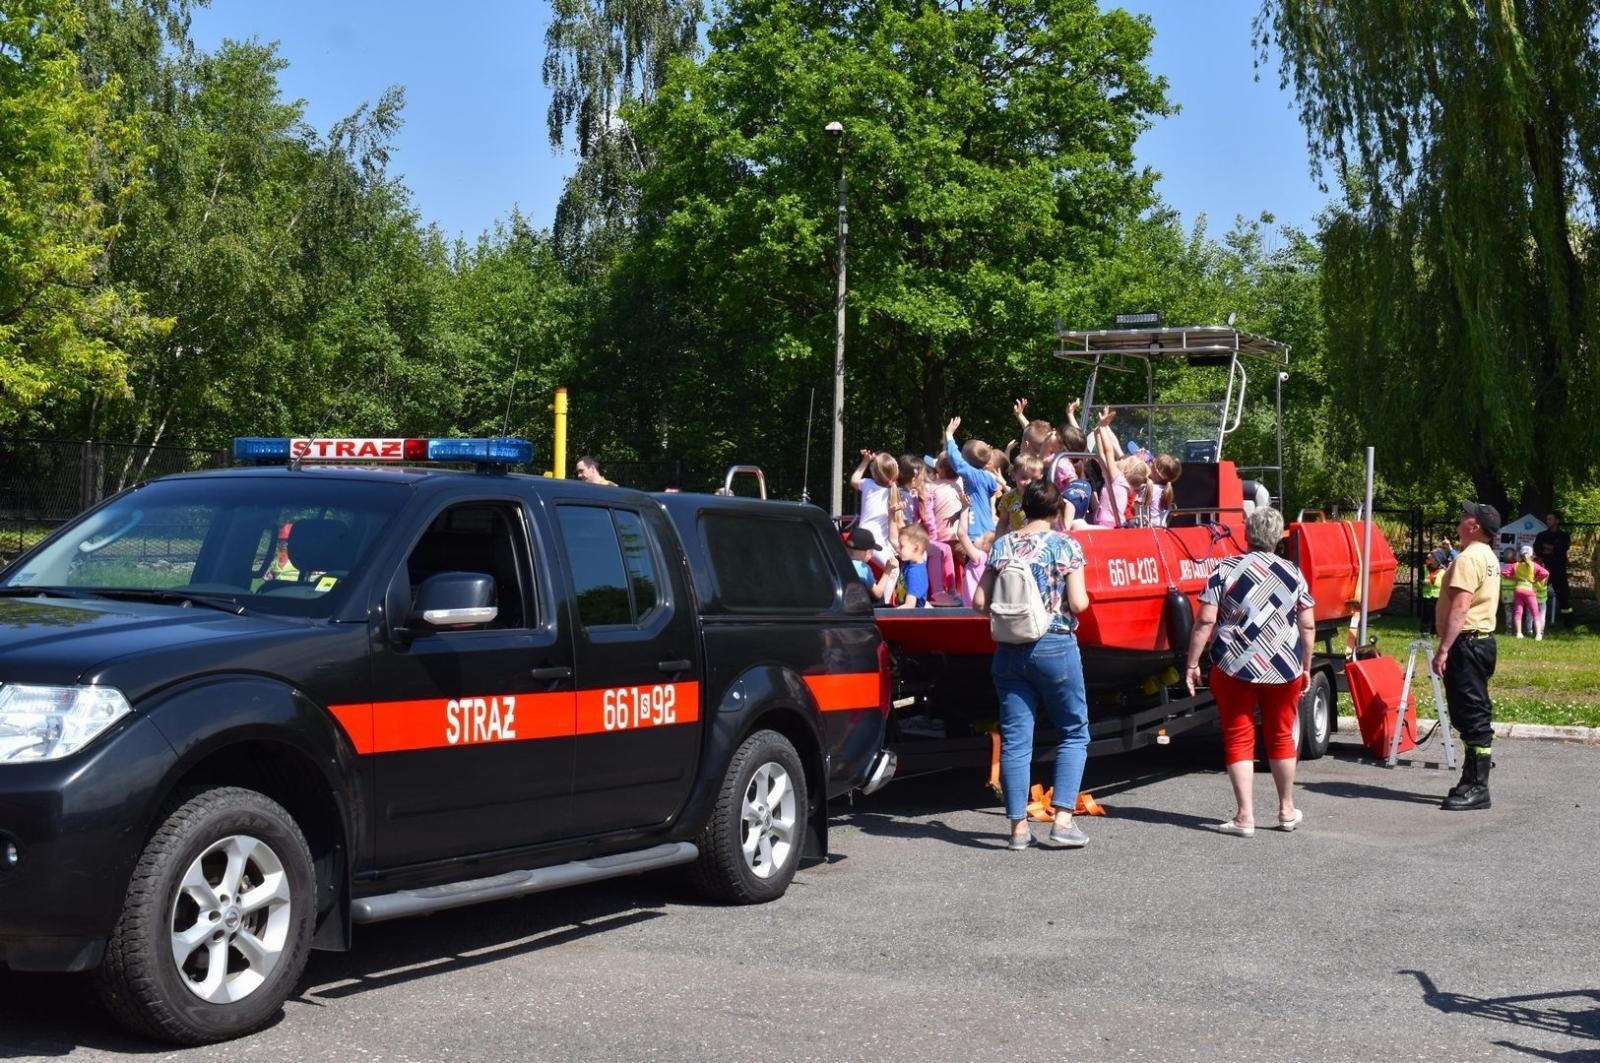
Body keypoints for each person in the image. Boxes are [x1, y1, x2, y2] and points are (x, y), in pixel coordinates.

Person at [972, 478, 1091, 851]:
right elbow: (1080, 602)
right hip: (1054, 645)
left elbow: (979, 602)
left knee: (1016, 740)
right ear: (1057, 511)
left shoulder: (1003, 545)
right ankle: (1063, 822)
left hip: (1009, 650)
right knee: (1073, 731)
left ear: (1024, 507)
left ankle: (1018, 830)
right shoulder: (1066, 545)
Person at [1184, 506, 1316, 837]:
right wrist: (1305, 665)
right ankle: (1287, 810)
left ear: (1247, 534)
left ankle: (1245, 817)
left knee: (1238, 734)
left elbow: (1205, 620)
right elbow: (1308, 624)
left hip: (1234, 663)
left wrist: (1191, 663)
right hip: (1283, 664)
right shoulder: (1293, 573)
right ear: (1278, 537)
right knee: (1281, 734)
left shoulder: (1225, 569)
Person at [1432, 500, 1503, 811]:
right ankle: (1470, 777)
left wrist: (1444, 649)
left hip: (1467, 644)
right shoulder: (1487, 556)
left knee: (1472, 717)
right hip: (1480, 643)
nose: (1459, 520)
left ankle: (1478, 786)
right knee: (1469, 714)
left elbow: (1461, 607)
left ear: (1475, 526)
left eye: (1464, 516)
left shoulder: (1468, 558)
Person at [943, 417, 1000, 538]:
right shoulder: (987, 477)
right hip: (988, 529)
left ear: (967, 462)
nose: (960, 457)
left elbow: (957, 462)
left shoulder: (976, 476)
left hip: (977, 533)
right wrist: (958, 514)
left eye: (962, 455)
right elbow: (977, 502)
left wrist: (949, 435)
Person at [849, 449, 898, 566]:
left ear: (873, 473)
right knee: (893, 569)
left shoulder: (867, 484)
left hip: (872, 537)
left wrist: (865, 461)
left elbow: (853, 480)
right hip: (874, 540)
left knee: (893, 569)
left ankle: (876, 585)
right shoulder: (893, 491)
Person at [1533, 512, 1572, 628]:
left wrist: (1550, 548)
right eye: (1547, 519)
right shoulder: (1541, 535)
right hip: (1544, 569)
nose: (1547, 521)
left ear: (1557, 521)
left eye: (1550, 519)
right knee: (1536, 593)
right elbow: (1538, 549)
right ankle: (1534, 621)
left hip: (1559, 570)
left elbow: (1562, 549)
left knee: (1563, 595)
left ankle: (1568, 623)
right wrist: (1554, 549)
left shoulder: (1564, 536)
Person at [844, 526, 898, 604]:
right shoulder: (862, 568)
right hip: (858, 609)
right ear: (867, 552)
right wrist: (888, 571)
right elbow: (878, 594)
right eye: (872, 551)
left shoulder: (838, 562)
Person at [1510, 544, 1549, 640]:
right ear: (1532, 555)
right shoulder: (1534, 565)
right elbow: (1546, 573)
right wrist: (1535, 580)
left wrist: (1514, 577)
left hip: (1518, 590)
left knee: (1519, 612)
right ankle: (1539, 634)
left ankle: (1519, 633)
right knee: (1535, 613)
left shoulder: (1516, 565)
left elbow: (1504, 572)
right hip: (1530, 591)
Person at [894, 524, 932, 608]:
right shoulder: (908, 563)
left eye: (902, 546)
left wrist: (891, 614)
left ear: (916, 548)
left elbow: (910, 605)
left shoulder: (915, 573)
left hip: (912, 618)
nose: (897, 549)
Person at [1420, 549, 1446, 636]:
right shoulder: (1425, 568)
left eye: (1432, 556)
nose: (1430, 557)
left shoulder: (1443, 571)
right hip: (1427, 596)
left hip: (1437, 597)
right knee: (1426, 615)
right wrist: (1423, 581)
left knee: (1436, 616)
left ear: (1436, 560)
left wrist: (1433, 581)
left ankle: (1435, 632)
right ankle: (1425, 632)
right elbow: (1420, 579)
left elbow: (1442, 583)